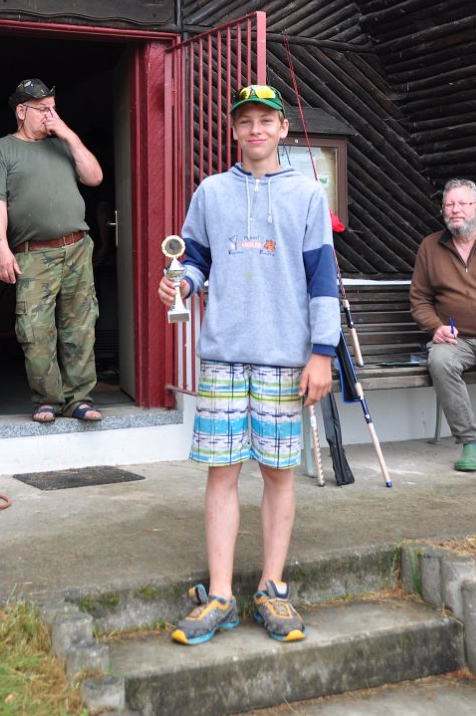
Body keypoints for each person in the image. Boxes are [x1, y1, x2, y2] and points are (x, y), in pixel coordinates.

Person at [158, 83, 340, 646]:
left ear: (283, 128)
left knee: (279, 474)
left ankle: (271, 587)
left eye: (266, 120)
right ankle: (219, 595)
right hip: (223, 355)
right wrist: (181, 284)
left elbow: (322, 279)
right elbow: (196, 259)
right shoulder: (210, 192)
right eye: (246, 121)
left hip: (286, 358)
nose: (255, 129)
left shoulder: (307, 195)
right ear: (234, 130)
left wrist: (322, 353)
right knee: (222, 473)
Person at [0, 78, 104, 423]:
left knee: (80, 326)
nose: (50, 115)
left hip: (77, 248)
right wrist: (0, 248)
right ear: (21, 111)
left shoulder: (62, 144)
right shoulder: (3, 149)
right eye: (42, 109)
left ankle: (79, 400)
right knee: (35, 330)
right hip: (33, 253)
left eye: (53, 108)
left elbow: (94, 177)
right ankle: (47, 400)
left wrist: (69, 135)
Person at [410, 178, 476, 472]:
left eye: (462, 203)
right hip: (455, 340)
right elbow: (420, 299)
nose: (455, 210)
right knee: (439, 361)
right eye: (449, 204)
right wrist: (435, 327)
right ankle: (472, 444)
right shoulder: (430, 246)